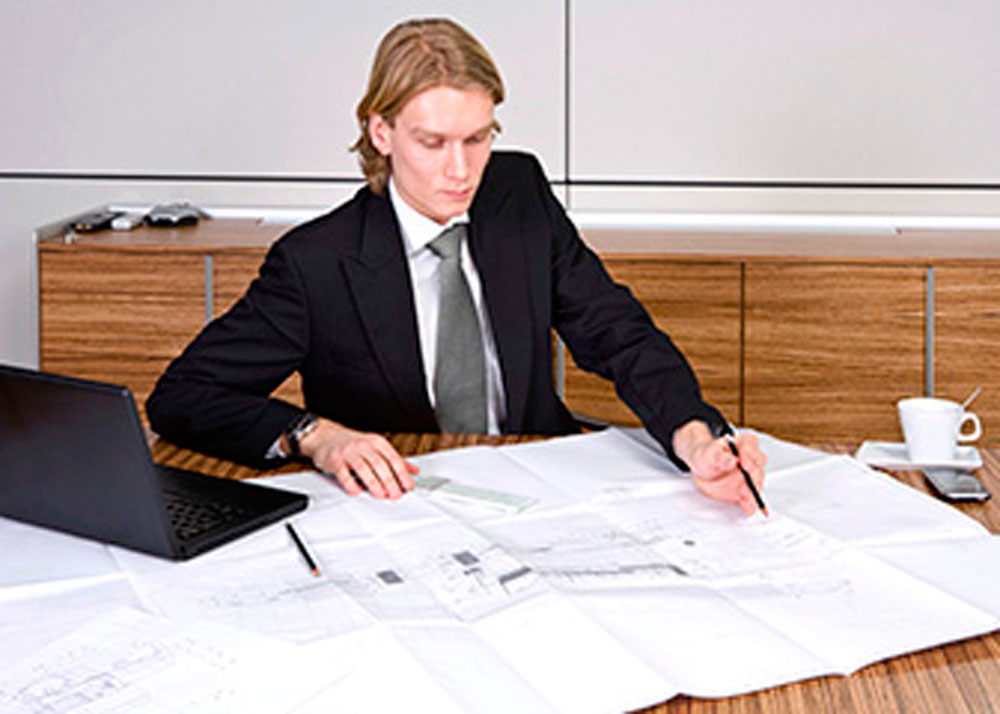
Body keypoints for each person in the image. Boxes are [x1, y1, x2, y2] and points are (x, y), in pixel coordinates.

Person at [147, 17, 766, 512]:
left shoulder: (518, 194)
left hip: (540, 488)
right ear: (382, 133)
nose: (461, 170)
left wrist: (694, 435)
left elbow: (616, 332)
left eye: (478, 138)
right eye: (433, 142)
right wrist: (316, 435)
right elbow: (183, 395)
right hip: (399, 504)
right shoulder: (317, 262)